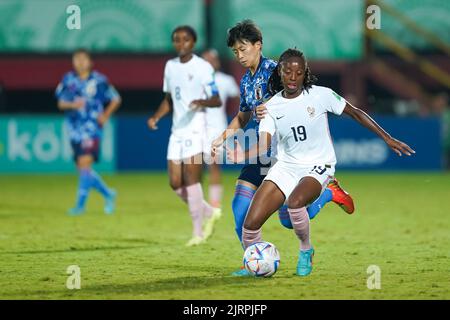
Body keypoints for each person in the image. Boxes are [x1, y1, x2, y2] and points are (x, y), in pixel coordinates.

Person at [229, 48, 415, 276]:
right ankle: (254, 264)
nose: (293, 78)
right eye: (288, 72)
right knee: (251, 225)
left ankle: (306, 251)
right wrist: (242, 155)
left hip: (318, 164)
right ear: (280, 73)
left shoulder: (321, 95)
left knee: (295, 203)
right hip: (286, 166)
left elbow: (356, 113)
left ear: (305, 73)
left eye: (298, 73)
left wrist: (387, 138)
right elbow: (263, 144)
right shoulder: (270, 107)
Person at [210, 20, 354, 276]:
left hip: (284, 154)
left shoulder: (277, 72)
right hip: (261, 151)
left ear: (258, 46)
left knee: (289, 219)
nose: (239, 55)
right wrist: (222, 137)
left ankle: (327, 193)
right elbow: (243, 116)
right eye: (235, 52)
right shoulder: (245, 82)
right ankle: (252, 261)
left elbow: (298, 95)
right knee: (240, 209)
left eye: (243, 49)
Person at [147, 26, 222, 247]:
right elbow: (169, 99)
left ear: (194, 42)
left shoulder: (202, 67)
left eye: (186, 39)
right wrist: (156, 117)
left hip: (197, 128)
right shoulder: (170, 66)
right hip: (177, 130)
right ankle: (209, 211)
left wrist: (201, 101)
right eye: (177, 40)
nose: (181, 44)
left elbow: (216, 99)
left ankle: (198, 232)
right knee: (174, 183)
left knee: (191, 179)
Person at [55, 48, 121, 215]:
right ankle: (108, 194)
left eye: (83, 59)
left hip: (91, 129)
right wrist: (72, 105)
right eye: (76, 59)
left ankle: (80, 206)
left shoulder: (99, 80)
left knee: (85, 164)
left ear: (90, 62)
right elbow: (61, 103)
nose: (80, 62)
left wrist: (105, 115)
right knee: (83, 169)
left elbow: (115, 99)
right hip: (74, 130)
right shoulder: (68, 80)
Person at [201, 48, 240, 209]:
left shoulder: (225, 80)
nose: (209, 63)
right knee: (193, 165)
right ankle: (198, 199)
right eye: (205, 60)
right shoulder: (196, 80)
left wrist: (235, 115)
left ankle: (214, 201)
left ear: (217, 62)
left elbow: (238, 98)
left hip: (217, 128)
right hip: (197, 128)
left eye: (211, 60)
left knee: (213, 164)